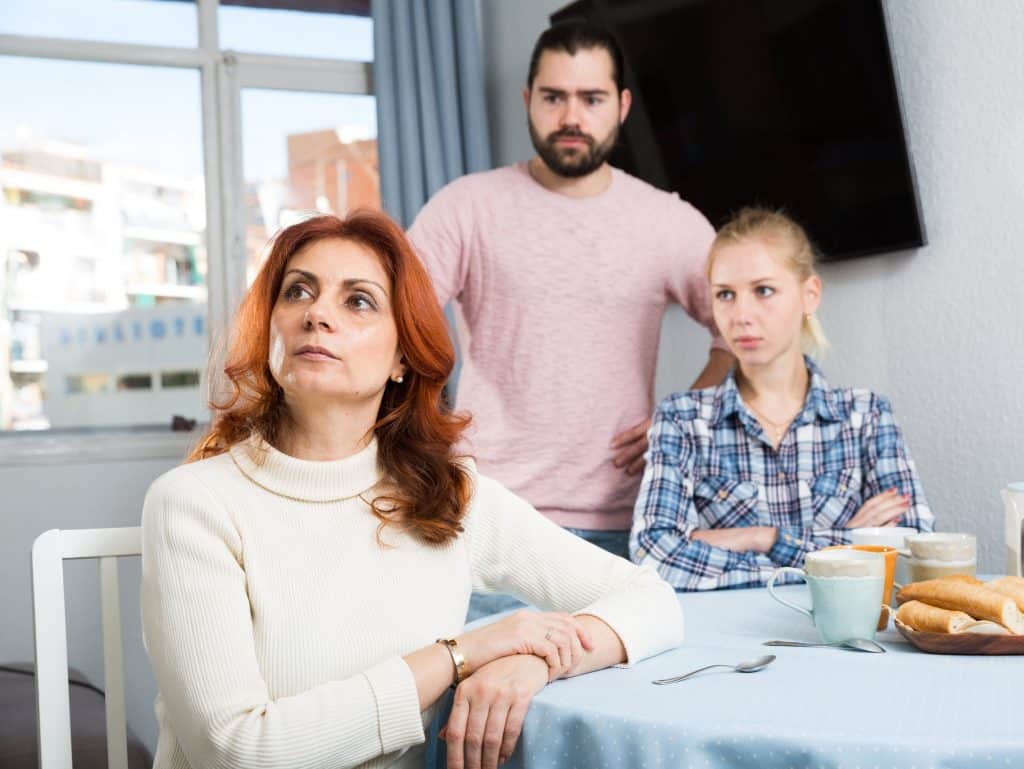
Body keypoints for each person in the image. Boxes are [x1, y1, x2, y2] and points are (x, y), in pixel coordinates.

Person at [140, 211, 683, 769]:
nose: (317, 314)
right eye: (298, 291)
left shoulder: (450, 494)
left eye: (358, 301)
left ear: (403, 356)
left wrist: (537, 661)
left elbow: (653, 600)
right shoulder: (194, 503)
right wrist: (462, 655)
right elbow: (238, 749)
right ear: (272, 325)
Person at [408, 22, 732, 613]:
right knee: (483, 701)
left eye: (592, 99)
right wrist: (424, 433)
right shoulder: (467, 206)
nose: (571, 116)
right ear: (528, 100)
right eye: (554, 97)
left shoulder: (668, 221)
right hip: (489, 525)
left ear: (622, 106)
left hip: (625, 533)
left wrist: (684, 417)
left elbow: (741, 333)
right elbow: (394, 324)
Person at [630, 207, 934, 591]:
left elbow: (913, 546)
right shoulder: (681, 419)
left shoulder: (866, 415)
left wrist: (765, 538)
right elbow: (652, 555)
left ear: (810, 295)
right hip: (727, 643)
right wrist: (844, 549)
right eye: (725, 294)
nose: (741, 314)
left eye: (763, 290)